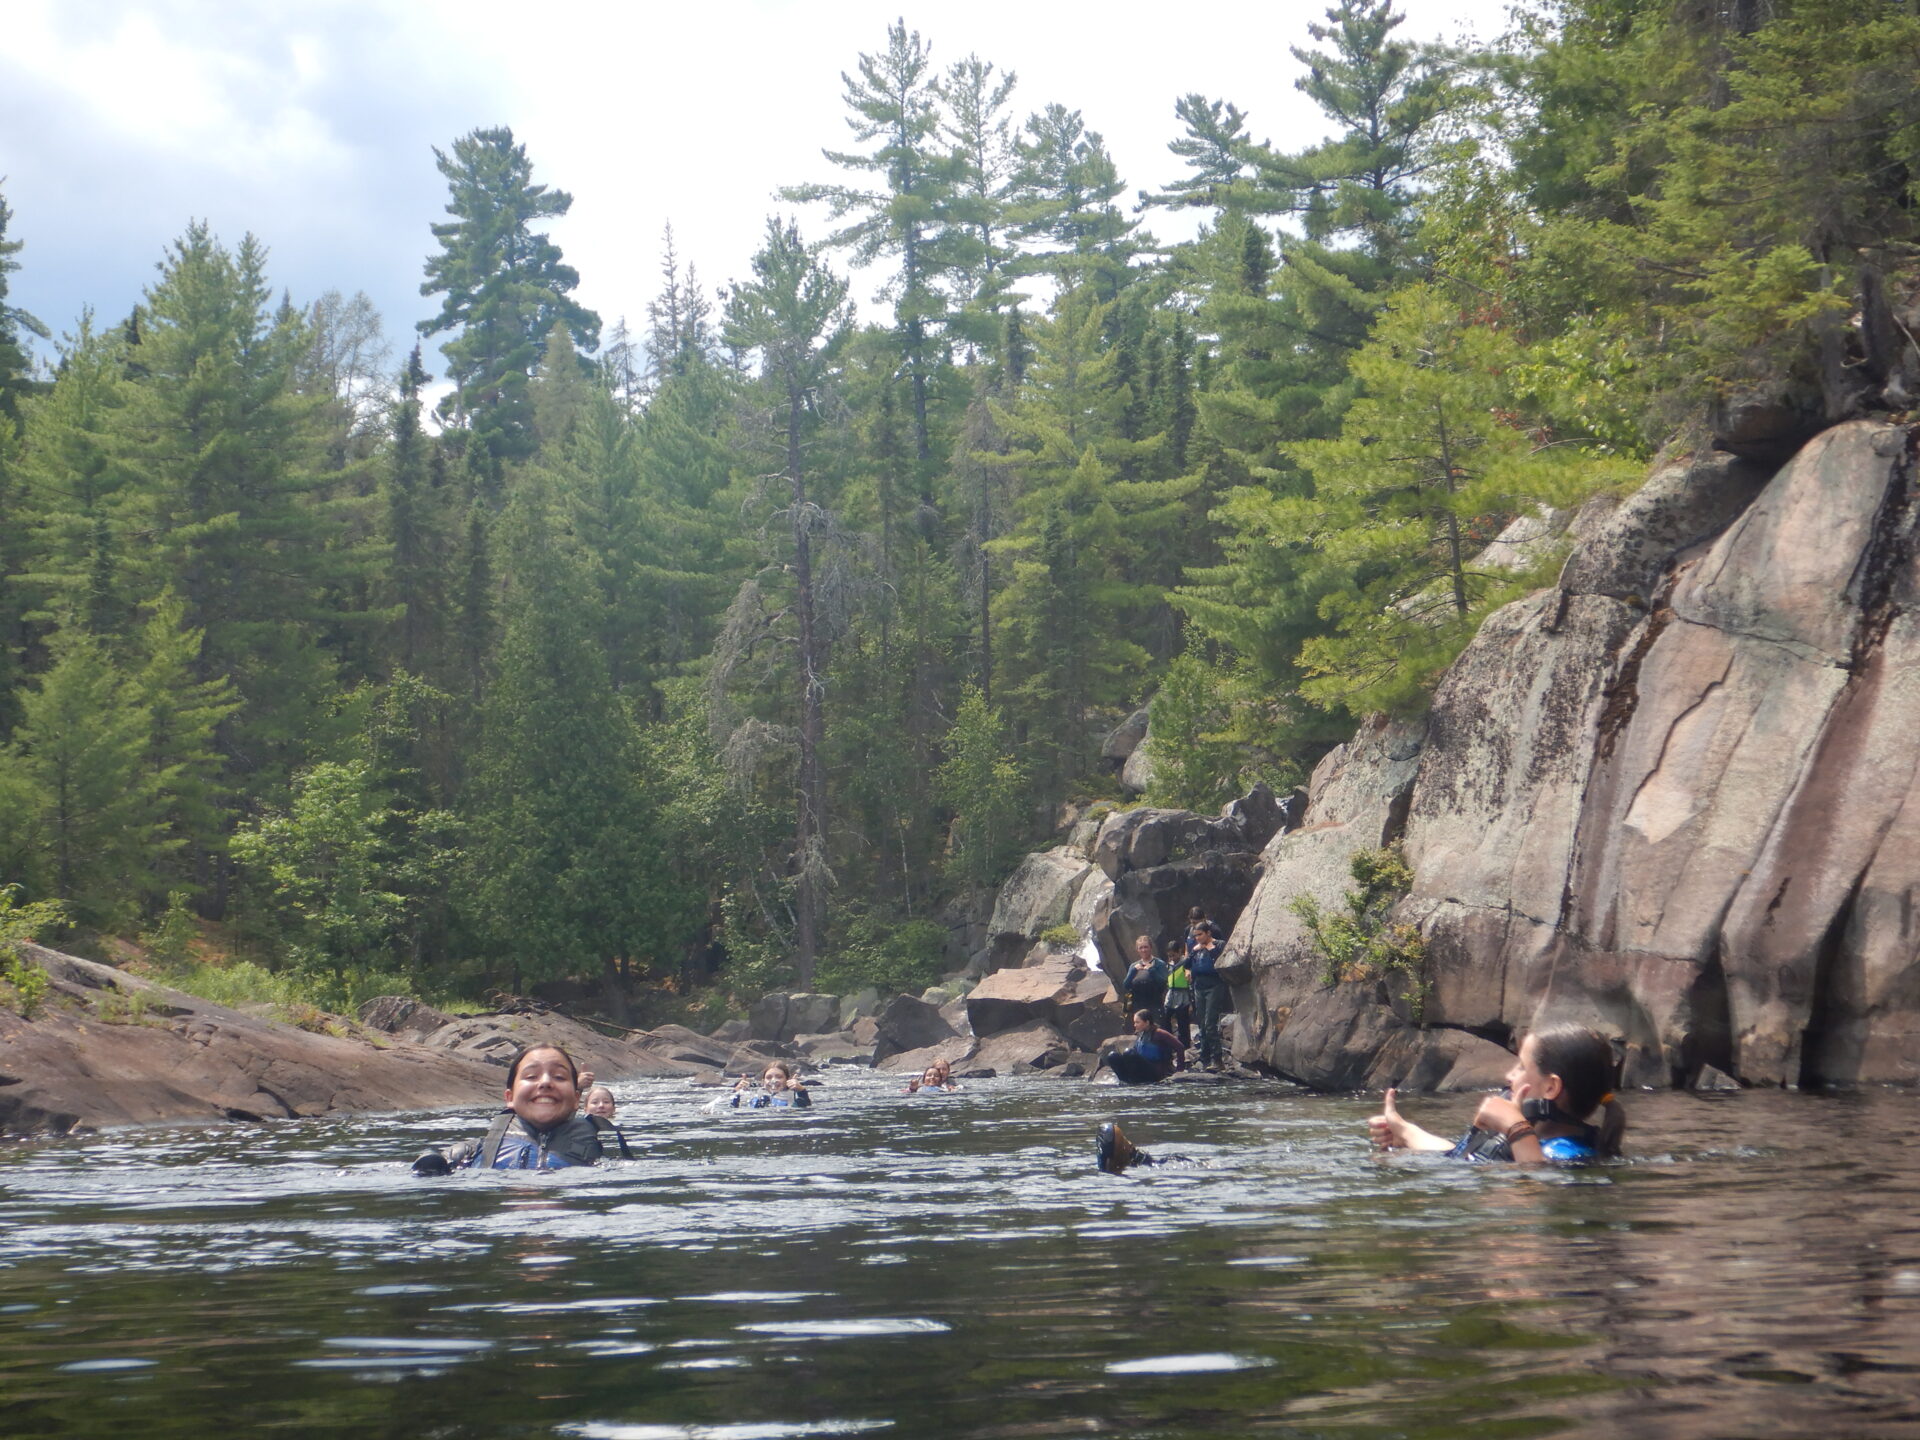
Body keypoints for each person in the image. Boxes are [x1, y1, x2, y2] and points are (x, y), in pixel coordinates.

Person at [1367, 1023, 1628, 1163]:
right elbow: (1461, 1159)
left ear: (1551, 1088)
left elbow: (1538, 1193)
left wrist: (1516, 1127)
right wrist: (1405, 1132)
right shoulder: (1532, 1145)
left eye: (1522, 1067)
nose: (1509, 1076)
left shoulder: (1568, 1154)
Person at [412, 1043, 632, 1173]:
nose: (545, 1083)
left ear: (576, 1099)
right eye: (530, 1076)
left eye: (559, 1076)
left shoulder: (605, 1147)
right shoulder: (470, 1153)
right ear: (510, 1097)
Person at [1100, 1009, 1186, 1085]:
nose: (1135, 1025)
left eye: (1137, 1022)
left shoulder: (1160, 1034)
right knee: (1112, 1056)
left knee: (1128, 1053)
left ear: (1147, 1022)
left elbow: (1180, 1047)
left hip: (1156, 1073)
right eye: (1134, 1022)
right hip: (1141, 1071)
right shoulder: (1141, 1035)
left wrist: (1180, 1069)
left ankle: (1135, 1080)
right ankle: (1126, 1081)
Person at [1187, 920, 1229, 1071]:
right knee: (1202, 1025)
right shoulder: (1196, 948)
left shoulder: (1219, 945)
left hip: (1214, 986)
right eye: (1195, 936)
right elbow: (1186, 964)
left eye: (1200, 935)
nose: (1197, 938)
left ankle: (1218, 1059)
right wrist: (1193, 952)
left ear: (1208, 933)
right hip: (1199, 986)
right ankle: (1204, 1058)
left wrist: (1211, 950)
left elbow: (1221, 962)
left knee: (1210, 1024)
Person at [726, 1060, 814, 1109]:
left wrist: (801, 1090)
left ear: (787, 1080)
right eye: (769, 1077)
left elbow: (806, 1107)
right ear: (763, 1082)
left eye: (779, 1077)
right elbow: (731, 1108)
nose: (773, 1081)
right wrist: (736, 1092)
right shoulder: (755, 1098)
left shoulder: (794, 1098)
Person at [1121, 934, 1168, 1025]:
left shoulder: (1159, 964)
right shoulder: (1133, 966)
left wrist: (1151, 970)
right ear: (1137, 950)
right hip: (1138, 1006)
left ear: (1151, 947)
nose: (1143, 950)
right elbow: (1126, 985)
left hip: (1155, 1004)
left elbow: (1163, 983)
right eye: (1140, 948)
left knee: (1157, 1032)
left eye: (1146, 947)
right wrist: (1133, 971)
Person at [1163, 939, 1194, 1052]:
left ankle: (1185, 1046)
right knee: (1166, 1019)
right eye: (1170, 956)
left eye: (1174, 955)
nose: (1172, 958)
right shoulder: (1168, 965)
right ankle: (1169, 1044)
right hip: (1171, 994)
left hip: (1183, 994)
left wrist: (1191, 1002)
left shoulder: (1185, 962)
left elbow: (1190, 982)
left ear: (1179, 951)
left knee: (1183, 1022)